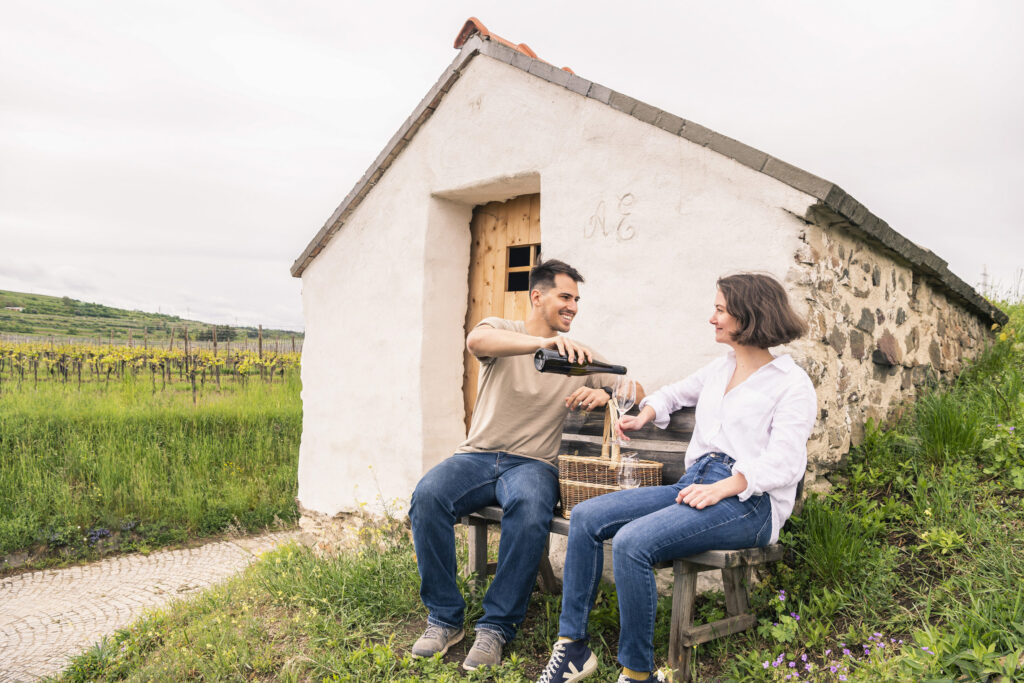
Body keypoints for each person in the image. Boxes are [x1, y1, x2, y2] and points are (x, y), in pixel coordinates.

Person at [536, 273, 817, 683]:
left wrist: (726, 485)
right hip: (696, 483)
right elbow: (673, 394)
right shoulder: (721, 369)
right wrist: (645, 414)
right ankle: (574, 648)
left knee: (633, 542)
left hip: (748, 503)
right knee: (586, 516)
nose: (712, 318)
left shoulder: (792, 384)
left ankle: (638, 674)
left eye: (720, 309)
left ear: (749, 315)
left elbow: (787, 462)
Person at [410, 259, 628, 671]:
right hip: (476, 456)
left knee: (529, 511)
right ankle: (444, 619)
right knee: (428, 496)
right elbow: (478, 342)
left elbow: (631, 385)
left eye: (577, 300)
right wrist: (541, 346)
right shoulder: (504, 332)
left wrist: (607, 396)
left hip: (533, 464)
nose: (573, 307)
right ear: (537, 296)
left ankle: (496, 627)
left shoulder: (580, 356)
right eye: (565, 297)